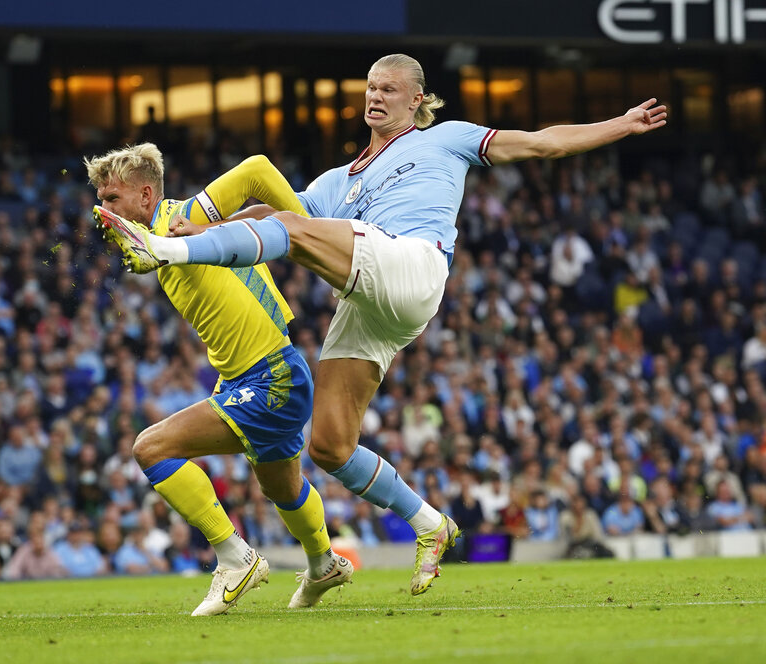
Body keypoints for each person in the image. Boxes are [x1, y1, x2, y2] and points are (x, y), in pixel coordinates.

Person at [97, 53, 666, 595]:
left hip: (413, 262)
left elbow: (543, 143)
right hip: (371, 298)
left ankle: (161, 256)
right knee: (328, 445)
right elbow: (270, 217)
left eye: (388, 89)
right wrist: (195, 231)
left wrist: (620, 124)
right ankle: (430, 523)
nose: (375, 96)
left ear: (416, 100)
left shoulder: (444, 138)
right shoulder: (336, 181)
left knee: (291, 230)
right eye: (370, 88)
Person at [88, 143, 352, 616]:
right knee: (281, 490)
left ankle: (236, 558)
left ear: (146, 196)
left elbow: (256, 171)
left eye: (112, 199)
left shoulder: (180, 219)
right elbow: (246, 218)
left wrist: (316, 237)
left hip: (272, 379)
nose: (102, 211)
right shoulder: (166, 239)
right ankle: (323, 564)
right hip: (255, 377)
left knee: (151, 448)